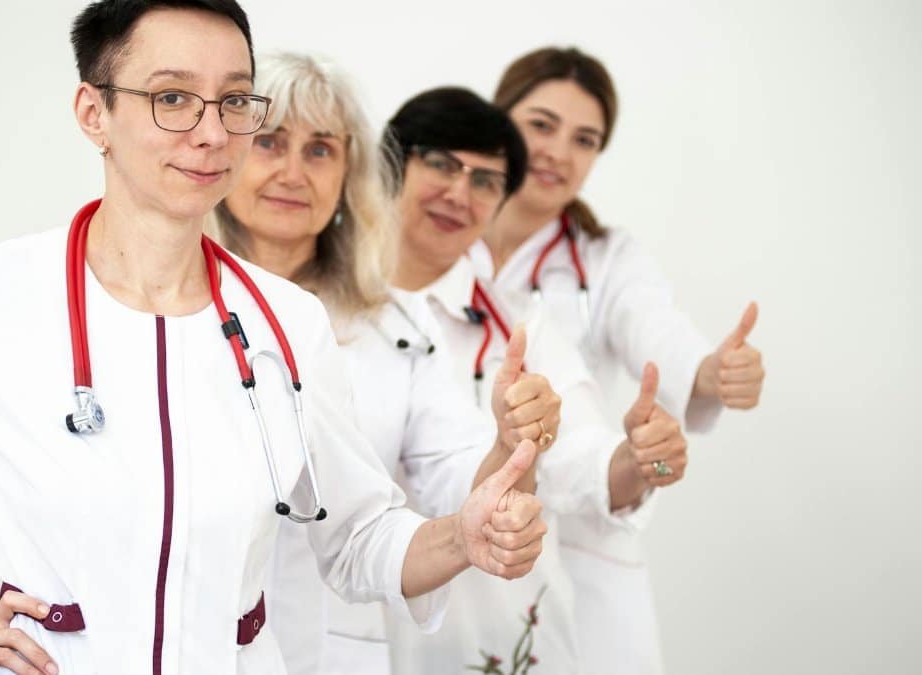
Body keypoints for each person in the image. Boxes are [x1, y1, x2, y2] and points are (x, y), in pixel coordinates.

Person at [0, 4, 548, 674]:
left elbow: (356, 541)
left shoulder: (288, 322)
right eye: (172, 98)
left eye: (234, 101)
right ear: (93, 113)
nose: (212, 134)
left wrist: (461, 534)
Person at [208, 53, 558, 675]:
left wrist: (510, 442)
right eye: (269, 142)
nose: (293, 171)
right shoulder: (159, 303)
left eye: (320, 150)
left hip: (330, 648)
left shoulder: (397, 326)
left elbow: (464, 487)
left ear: (349, 174)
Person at [477, 47, 767, 674]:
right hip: (468, 526)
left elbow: (653, 323)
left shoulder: (606, 259)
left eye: (586, 139)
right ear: (498, 120)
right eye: (542, 124)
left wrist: (710, 370)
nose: (560, 151)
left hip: (584, 530)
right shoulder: (438, 239)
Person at [385, 87, 688, 675]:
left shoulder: (522, 326)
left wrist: (638, 459)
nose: (459, 193)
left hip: (487, 628)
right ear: (391, 163)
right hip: (343, 621)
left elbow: (585, 458)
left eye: (486, 180)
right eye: (443, 164)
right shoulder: (311, 308)